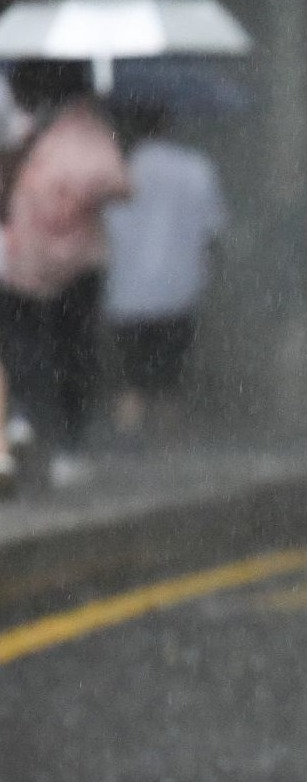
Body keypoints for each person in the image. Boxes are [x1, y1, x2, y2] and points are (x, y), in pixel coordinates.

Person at [0, 60, 131, 491]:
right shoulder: (89, 126)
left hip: (27, 257)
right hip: (79, 262)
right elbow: (118, 183)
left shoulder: (27, 125)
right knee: (73, 350)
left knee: (24, 345)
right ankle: (67, 447)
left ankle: (22, 418)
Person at [103, 103, 227, 445]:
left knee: (131, 378)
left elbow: (105, 232)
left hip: (126, 293)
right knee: (169, 379)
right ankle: (168, 451)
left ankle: (129, 446)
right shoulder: (197, 169)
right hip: (179, 290)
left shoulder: (119, 172)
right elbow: (211, 232)